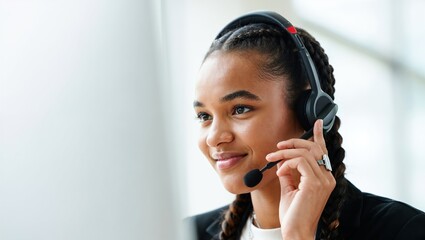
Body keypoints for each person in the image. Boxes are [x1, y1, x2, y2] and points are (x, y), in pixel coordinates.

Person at [188, 11, 425, 240]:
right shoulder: (185, 233)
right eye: (204, 116)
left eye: (240, 109)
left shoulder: (403, 230)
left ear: (309, 113)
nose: (214, 137)